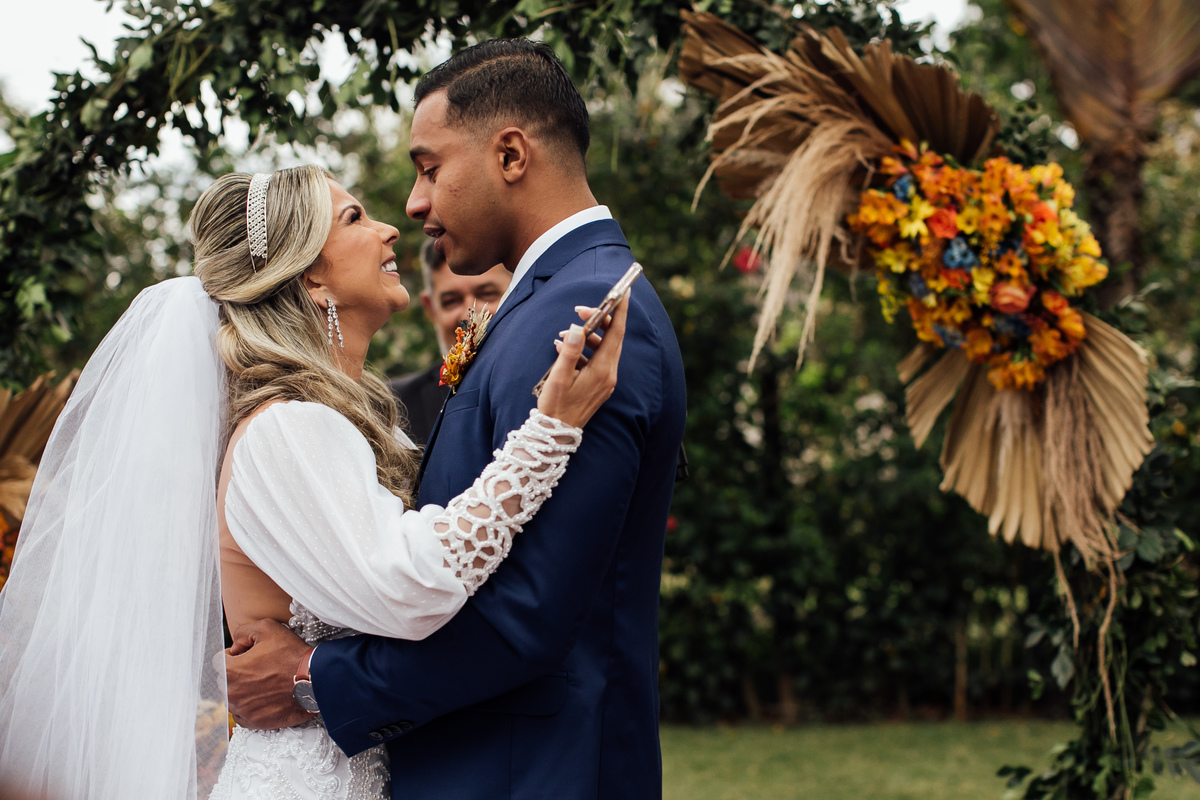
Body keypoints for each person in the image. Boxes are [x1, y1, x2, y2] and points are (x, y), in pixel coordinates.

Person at [0, 164, 628, 800]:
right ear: (309, 276)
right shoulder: (286, 431)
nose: (389, 229)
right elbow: (410, 585)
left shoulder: (338, 421)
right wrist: (551, 430)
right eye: (354, 218)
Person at [225, 39, 687, 799]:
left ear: (511, 155)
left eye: (429, 167)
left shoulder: (589, 314)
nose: (412, 204)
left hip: (532, 775)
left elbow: (529, 614)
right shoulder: (542, 305)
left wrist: (313, 680)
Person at [388, 238, 512, 445]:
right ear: (431, 309)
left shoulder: (558, 380)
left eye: (487, 294)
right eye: (451, 301)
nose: (468, 313)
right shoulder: (393, 406)